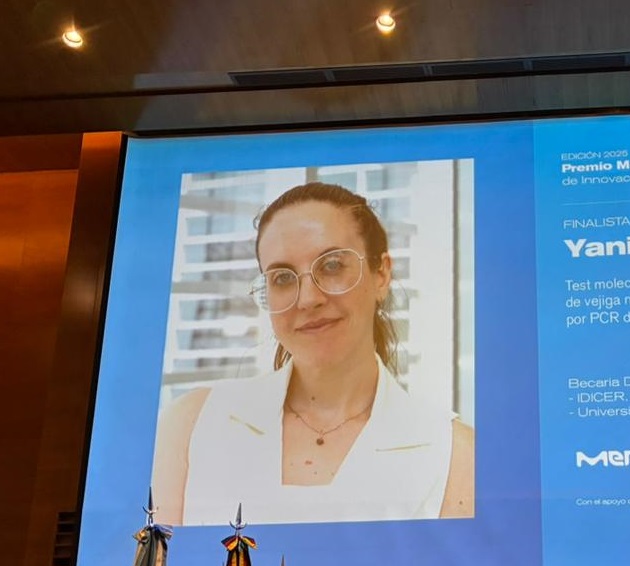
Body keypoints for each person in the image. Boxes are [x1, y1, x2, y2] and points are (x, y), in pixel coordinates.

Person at [153, 181, 475, 526]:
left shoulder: (456, 455)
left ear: (381, 275)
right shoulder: (191, 425)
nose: (308, 299)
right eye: (282, 278)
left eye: (332, 266)